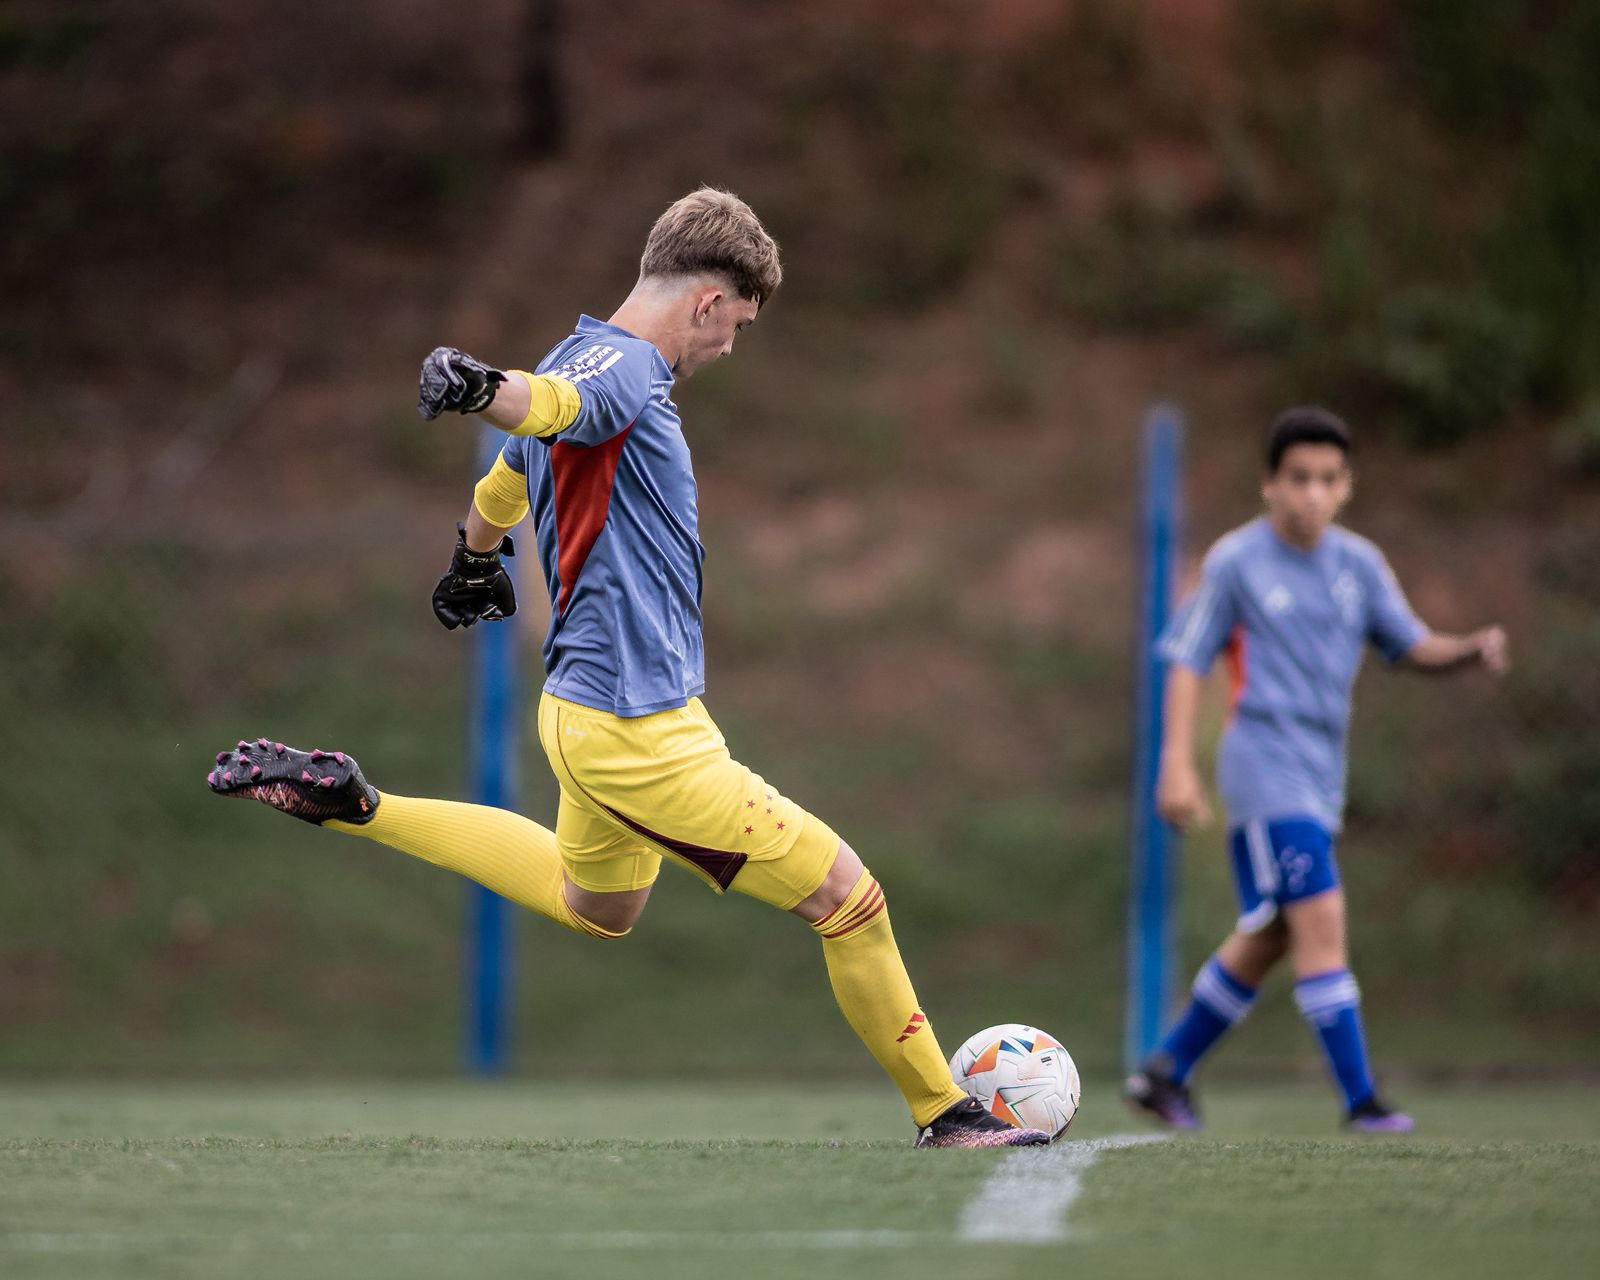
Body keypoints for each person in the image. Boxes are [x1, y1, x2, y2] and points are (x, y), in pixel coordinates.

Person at [207, 187, 1047, 1149]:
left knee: (594, 904)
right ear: (704, 301)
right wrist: (485, 388)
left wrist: (474, 559)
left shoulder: (583, 356)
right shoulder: (623, 372)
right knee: (850, 901)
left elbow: (505, 472)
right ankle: (946, 1114)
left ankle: (359, 805)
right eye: (736, 323)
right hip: (640, 733)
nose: (729, 347)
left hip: (585, 716)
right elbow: (550, 402)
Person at [1124, 406, 1508, 1133]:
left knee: (1272, 932)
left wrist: (1464, 650)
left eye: (1328, 480)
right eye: (1298, 478)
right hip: (1263, 767)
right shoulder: (1238, 561)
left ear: (1346, 486)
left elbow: (1409, 643)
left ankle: (1164, 1070)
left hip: (1320, 773)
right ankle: (1362, 1101)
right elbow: (1185, 655)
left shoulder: (1357, 565)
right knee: (1320, 917)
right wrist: (1175, 763)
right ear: (1270, 484)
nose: (1312, 494)